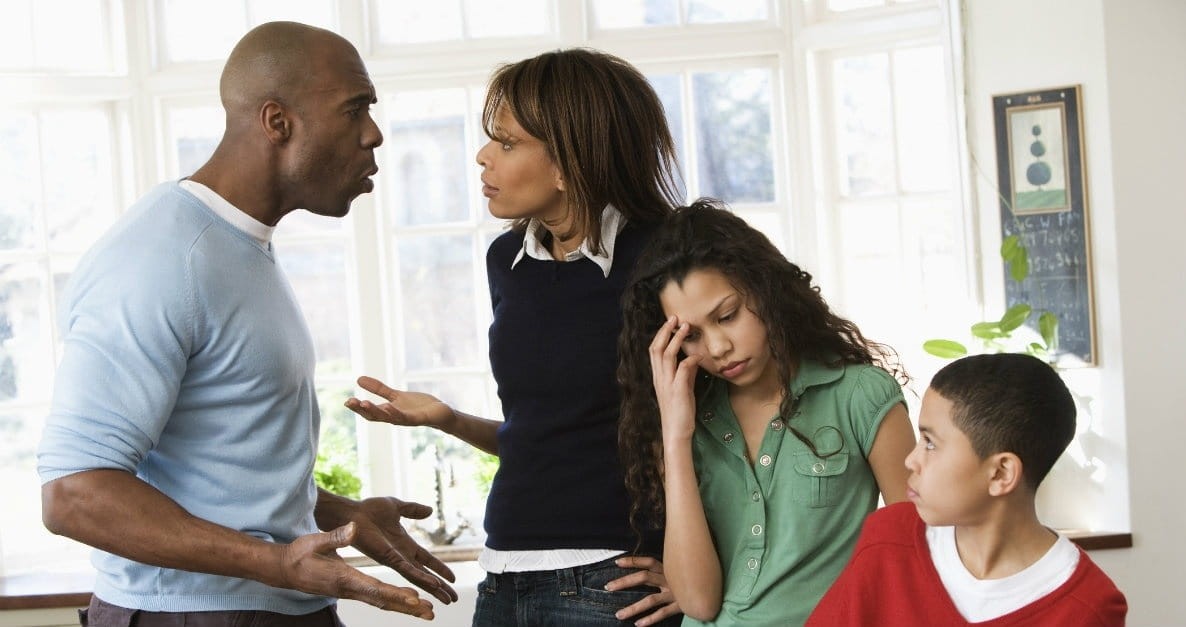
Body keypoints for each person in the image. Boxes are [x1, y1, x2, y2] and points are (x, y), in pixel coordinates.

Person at [37, 21, 459, 626]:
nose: (375, 134)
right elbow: (74, 493)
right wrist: (277, 563)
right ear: (277, 121)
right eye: (354, 109)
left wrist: (338, 515)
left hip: (271, 607)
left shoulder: (235, 245)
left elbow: (222, 471)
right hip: (190, 614)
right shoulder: (160, 256)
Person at [344, 48, 684, 626]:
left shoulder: (668, 255)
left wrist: (700, 565)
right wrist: (448, 420)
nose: (482, 157)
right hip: (504, 574)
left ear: (569, 161)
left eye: (505, 143)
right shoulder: (509, 260)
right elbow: (550, 438)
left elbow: (734, 428)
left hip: (615, 577)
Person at [615, 199, 916, 625]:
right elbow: (699, 603)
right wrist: (675, 434)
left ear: (766, 289)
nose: (718, 348)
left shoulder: (860, 395)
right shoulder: (687, 423)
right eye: (691, 335)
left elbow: (921, 552)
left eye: (728, 316)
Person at [807, 353, 1127, 626]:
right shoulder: (888, 538)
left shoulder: (1089, 607)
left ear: (1001, 473)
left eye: (930, 443)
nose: (911, 460)